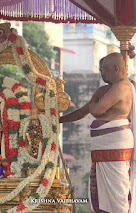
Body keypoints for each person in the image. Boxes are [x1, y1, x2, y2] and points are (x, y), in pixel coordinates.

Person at [60, 53, 135, 213]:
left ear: (116, 68)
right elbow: (82, 112)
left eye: (105, 70)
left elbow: (96, 110)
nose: (102, 74)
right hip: (102, 146)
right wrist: (57, 120)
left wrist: (94, 104)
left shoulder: (122, 86)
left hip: (116, 145)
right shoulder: (105, 90)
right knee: (101, 191)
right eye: (101, 70)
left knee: (117, 191)